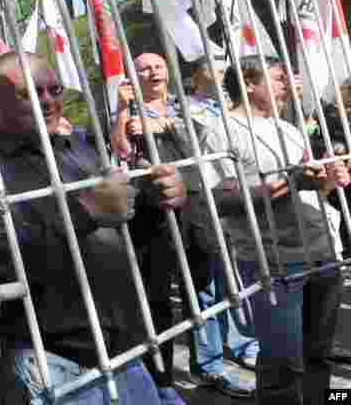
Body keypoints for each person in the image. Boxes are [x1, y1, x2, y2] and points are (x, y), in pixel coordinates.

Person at [0, 52, 188, 405]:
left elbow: (122, 231)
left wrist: (155, 201)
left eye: (54, 89)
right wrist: (88, 209)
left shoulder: (78, 148)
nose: (47, 100)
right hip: (51, 358)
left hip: (124, 349)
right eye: (28, 92)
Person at [202, 56, 349, 405]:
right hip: (275, 262)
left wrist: (328, 178)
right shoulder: (221, 131)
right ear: (250, 84)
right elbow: (219, 199)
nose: (289, 83)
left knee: (318, 358)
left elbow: (310, 188)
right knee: (284, 364)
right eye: (280, 77)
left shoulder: (288, 128)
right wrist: (288, 183)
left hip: (323, 253)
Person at [112, 53, 253, 401]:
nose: (153, 71)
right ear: (133, 76)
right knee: (156, 296)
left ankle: (209, 365)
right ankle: (159, 380)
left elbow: (206, 147)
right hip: (150, 214)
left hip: (194, 205)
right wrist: (121, 112)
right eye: (144, 67)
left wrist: (168, 126)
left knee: (202, 287)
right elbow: (119, 153)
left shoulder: (190, 107)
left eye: (158, 65)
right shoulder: (124, 113)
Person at [185, 56, 261, 389]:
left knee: (241, 278)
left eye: (222, 65)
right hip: (202, 202)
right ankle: (208, 359)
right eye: (211, 65)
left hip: (242, 205)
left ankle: (246, 342)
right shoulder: (185, 108)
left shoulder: (234, 109)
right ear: (195, 75)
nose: (219, 70)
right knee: (207, 286)